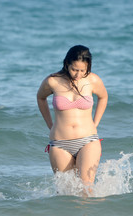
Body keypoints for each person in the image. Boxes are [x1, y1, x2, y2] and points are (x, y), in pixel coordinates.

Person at [37, 45, 108, 194]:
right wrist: (50, 124)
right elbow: (40, 97)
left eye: (83, 70)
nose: (78, 74)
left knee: (86, 189)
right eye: (75, 69)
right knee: (64, 192)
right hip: (60, 144)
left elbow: (103, 97)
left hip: (88, 141)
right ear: (67, 64)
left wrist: (95, 123)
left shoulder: (92, 80)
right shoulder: (53, 81)